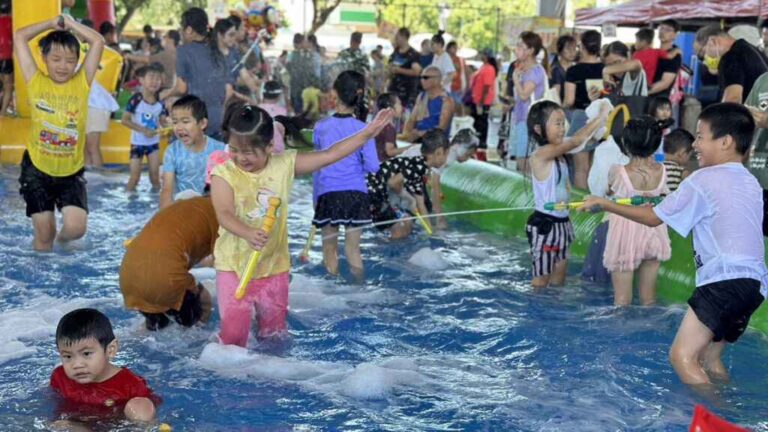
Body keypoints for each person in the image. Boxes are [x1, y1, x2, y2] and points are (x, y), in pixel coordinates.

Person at [579, 103, 767, 385]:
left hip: (723, 281)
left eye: (701, 136)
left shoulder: (704, 179)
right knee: (709, 358)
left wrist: (605, 203)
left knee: (681, 357)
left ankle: (715, 425)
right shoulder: (750, 181)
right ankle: (727, 415)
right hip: (755, 285)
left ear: (726, 141)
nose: (695, 145)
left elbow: (653, 217)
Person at [210, 102, 393, 346]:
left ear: (269, 146)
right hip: (233, 267)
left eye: (249, 152)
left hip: (274, 268)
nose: (240, 158)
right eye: (234, 150)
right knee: (233, 340)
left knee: (274, 336)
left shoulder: (284, 164)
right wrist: (247, 232)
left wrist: (368, 133)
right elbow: (223, 213)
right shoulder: (224, 173)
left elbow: (330, 154)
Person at [13, 15, 104, 252]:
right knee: (44, 235)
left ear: (77, 63)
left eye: (70, 60)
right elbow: (20, 36)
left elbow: (97, 42)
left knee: (76, 229)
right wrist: (51, 23)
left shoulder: (81, 82)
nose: (63, 66)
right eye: (56, 59)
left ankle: (61, 245)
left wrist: (70, 24)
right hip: (37, 169)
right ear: (44, 58)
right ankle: (41, 284)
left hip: (70, 172)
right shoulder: (35, 80)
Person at [526, 100, 609, 288]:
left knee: (558, 280)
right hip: (544, 225)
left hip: (562, 224)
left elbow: (565, 190)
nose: (563, 129)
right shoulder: (540, 155)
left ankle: (552, 313)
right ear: (539, 129)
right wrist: (601, 116)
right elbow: (577, 140)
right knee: (541, 281)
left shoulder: (560, 156)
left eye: (564, 123)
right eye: (557, 124)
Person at [312, 71, 379, 277]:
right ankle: (359, 289)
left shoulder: (321, 127)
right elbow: (373, 166)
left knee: (329, 249)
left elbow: (316, 165)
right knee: (353, 249)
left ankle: (332, 289)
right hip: (356, 195)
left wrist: (316, 199)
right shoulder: (363, 129)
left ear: (335, 93)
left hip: (328, 194)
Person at [120, 196, 215, 331]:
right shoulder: (221, 216)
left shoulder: (186, 206)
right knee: (203, 303)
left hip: (128, 277)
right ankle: (198, 339)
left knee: (159, 328)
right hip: (164, 280)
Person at [603, 117, 671, 306]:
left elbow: (607, 191)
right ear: (656, 144)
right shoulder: (662, 170)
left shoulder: (618, 171)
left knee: (622, 300)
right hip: (654, 234)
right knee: (648, 300)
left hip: (624, 237)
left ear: (625, 142)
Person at [51, 309, 156, 422]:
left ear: (110, 350)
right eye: (68, 356)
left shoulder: (130, 385)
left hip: (117, 423)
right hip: (79, 425)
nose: (77, 365)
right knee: (62, 425)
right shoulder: (60, 378)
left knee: (140, 406)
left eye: (86, 354)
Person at [367, 129, 451, 239]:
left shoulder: (421, 167)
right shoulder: (419, 165)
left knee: (404, 224)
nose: (446, 159)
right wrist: (409, 199)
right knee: (402, 228)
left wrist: (430, 231)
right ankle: (390, 251)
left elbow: (421, 205)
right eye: (446, 154)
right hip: (373, 190)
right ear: (439, 152)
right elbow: (393, 182)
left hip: (375, 190)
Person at [163, 7, 234, 139]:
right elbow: (228, 91)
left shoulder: (184, 51)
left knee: (177, 151)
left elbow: (181, 88)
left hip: (195, 120)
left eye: (182, 28)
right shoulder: (218, 52)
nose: (181, 32)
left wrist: (164, 95)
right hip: (216, 120)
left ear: (189, 30)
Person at [160, 95, 226, 208]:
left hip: (212, 207)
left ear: (202, 124)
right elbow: (167, 189)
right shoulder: (172, 151)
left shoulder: (219, 149)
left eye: (185, 122)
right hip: (184, 207)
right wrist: (165, 213)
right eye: (175, 122)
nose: (179, 127)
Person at [565, 30, 604, 190]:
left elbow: (569, 101)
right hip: (602, 120)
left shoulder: (574, 71)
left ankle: (581, 207)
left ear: (582, 47)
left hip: (581, 118)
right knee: (594, 168)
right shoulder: (607, 70)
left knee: (581, 168)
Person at [123, 63, 168, 192]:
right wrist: (144, 131)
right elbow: (125, 120)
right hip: (137, 144)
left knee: (155, 178)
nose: (155, 81)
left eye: (158, 78)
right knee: (134, 178)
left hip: (153, 144)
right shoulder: (136, 99)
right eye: (151, 77)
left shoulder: (161, 102)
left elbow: (163, 121)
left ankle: (158, 204)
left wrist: (168, 127)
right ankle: (128, 200)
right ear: (142, 80)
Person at [695, 25, 768, 104]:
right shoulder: (751, 49)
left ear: (712, 41)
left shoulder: (730, 58)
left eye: (701, 55)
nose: (704, 60)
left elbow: (733, 99)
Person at [511, 31, 548, 174]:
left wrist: (515, 79)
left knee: (525, 162)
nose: (517, 49)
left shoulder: (535, 71)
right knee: (523, 161)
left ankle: (532, 195)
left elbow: (524, 95)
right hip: (523, 120)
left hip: (529, 122)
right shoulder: (525, 70)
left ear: (531, 50)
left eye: (520, 46)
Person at [402, 66, 454, 142]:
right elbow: (411, 120)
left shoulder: (446, 100)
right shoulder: (421, 96)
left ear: (437, 80)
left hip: (436, 143)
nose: (422, 80)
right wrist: (407, 134)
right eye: (421, 77)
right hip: (418, 139)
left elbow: (441, 128)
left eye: (425, 77)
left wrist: (421, 133)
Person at [469, 49, 497, 159]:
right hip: (478, 99)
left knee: (482, 122)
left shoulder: (489, 68)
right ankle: (478, 141)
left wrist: (482, 100)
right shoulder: (483, 67)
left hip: (483, 101)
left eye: (483, 54)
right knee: (477, 122)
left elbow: (486, 86)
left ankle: (482, 142)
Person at [285, 33, 321, 114]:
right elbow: (315, 74)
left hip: (296, 90)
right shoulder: (311, 56)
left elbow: (287, 72)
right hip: (306, 90)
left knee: (299, 114)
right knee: (307, 114)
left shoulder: (290, 56)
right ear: (301, 43)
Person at [388, 27, 422, 111]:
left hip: (407, 93)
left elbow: (417, 72)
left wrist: (399, 70)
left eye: (398, 37)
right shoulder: (396, 51)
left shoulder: (413, 54)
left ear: (404, 37)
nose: (396, 39)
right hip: (394, 91)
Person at [374, 93, 411, 161]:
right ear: (390, 108)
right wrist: (409, 148)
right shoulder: (389, 128)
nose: (402, 107)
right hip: (383, 164)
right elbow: (389, 151)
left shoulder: (378, 124)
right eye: (399, 104)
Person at [258, 80, 287, 154]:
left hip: (261, 147)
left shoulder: (257, 109)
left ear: (263, 94)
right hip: (277, 148)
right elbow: (283, 131)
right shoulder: (282, 111)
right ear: (279, 96)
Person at [662, 128, 694, 193]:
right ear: (682, 153)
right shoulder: (682, 173)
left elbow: (662, 157)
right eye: (689, 155)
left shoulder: (653, 164)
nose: (688, 160)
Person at [549, 35, 577, 104]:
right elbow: (556, 96)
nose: (572, 52)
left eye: (574, 48)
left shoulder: (575, 68)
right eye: (568, 49)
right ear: (560, 50)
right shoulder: (556, 69)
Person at [446, 41, 467, 115]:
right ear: (448, 48)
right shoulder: (444, 58)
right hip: (446, 86)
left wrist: (466, 86)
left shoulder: (460, 60)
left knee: (458, 105)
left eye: (456, 48)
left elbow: (463, 71)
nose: (455, 49)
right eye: (453, 47)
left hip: (457, 86)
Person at [0, 0, 12, 116]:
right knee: (8, 86)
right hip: (5, 57)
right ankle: (2, 113)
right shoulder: (11, 21)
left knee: (4, 84)